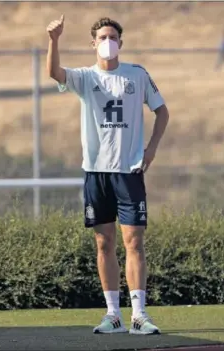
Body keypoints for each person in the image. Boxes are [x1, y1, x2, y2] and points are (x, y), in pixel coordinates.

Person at [46, 16, 170, 335]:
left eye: (113, 36)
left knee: (134, 241)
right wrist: (54, 40)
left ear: (121, 42)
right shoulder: (86, 78)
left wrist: (151, 149)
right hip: (96, 173)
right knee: (104, 242)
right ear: (93, 43)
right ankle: (113, 314)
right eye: (102, 37)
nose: (108, 41)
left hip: (128, 172)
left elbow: (162, 110)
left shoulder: (137, 75)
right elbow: (54, 73)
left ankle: (139, 315)